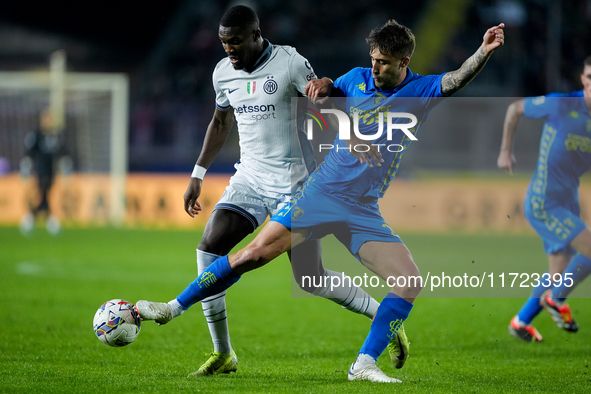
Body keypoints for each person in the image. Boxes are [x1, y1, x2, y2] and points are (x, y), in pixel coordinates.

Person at [136, 20, 505, 383]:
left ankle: (362, 365)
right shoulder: (357, 77)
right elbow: (326, 95)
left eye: (384, 62)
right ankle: (171, 308)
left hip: (362, 208)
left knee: (408, 280)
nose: (374, 68)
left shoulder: (421, 91)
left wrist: (483, 52)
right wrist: (326, 87)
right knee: (252, 255)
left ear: (404, 62)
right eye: (373, 59)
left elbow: (455, 79)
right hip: (321, 193)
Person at [176, 5, 401, 377]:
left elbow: (327, 102)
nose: (228, 49)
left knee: (310, 279)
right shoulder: (222, 73)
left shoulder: (290, 62)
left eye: (234, 42)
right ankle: (223, 352)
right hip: (249, 180)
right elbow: (220, 120)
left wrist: (354, 135)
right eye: (223, 42)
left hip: (296, 185)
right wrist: (198, 173)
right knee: (209, 246)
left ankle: (385, 318)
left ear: (255, 35)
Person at [498, 56, 591, 342]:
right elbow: (515, 109)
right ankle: (556, 299)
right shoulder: (562, 104)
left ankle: (521, 321)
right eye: (589, 76)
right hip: (543, 200)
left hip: (568, 198)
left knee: (559, 269)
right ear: (583, 78)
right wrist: (505, 151)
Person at [19, 108, 66, 235]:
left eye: (50, 119)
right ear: (42, 120)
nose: (48, 122)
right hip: (39, 170)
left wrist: (65, 168)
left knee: (45, 194)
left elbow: (61, 153)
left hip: (52, 171)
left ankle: (31, 218)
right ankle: (49, 220)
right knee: (43, 192)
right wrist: (25, 169)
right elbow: (29, 153)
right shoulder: (36, 135)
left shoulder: (55, 136)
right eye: (46, 119)